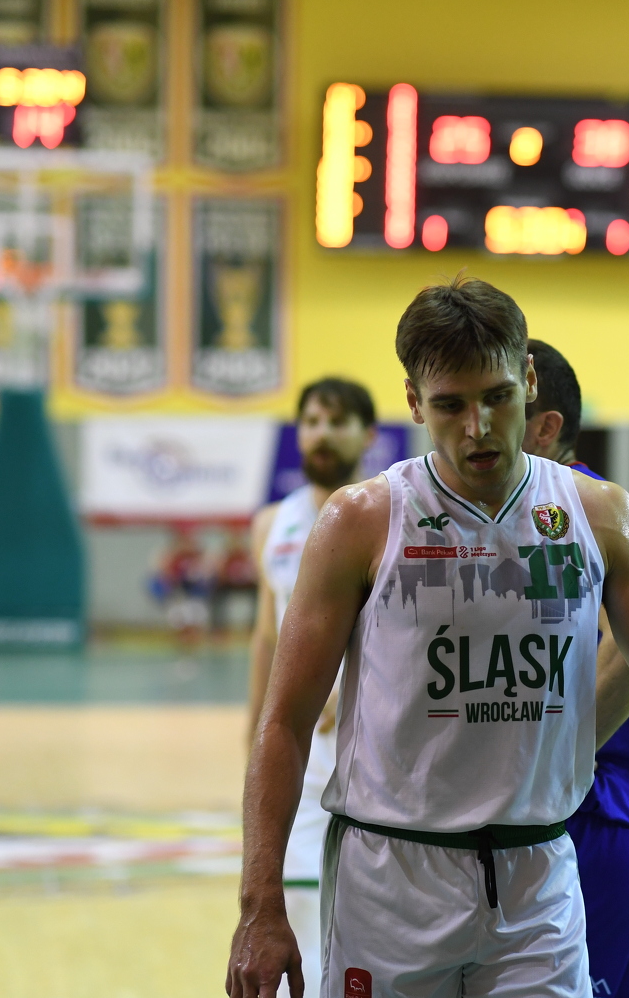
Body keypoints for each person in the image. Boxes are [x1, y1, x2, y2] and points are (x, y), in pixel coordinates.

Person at [227, 275, 629, 998]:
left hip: (537, 880)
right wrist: (260, 904)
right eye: (450, 405)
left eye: (496, 396)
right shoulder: (360, 521)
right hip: (391, 879)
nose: (478, 427)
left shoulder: (601, 515)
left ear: (529, 380)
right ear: (413, 402)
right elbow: (284, 721)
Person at [521, 337, 629, 998]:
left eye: (498, 405)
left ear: (545, 425)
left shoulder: (565, 510)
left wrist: (549, 765)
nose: (476, 429)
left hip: (593, 817)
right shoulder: (586, 502)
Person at [246, 377, 379, 996]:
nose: (322, 434)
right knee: (292, 915)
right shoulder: (271, 524)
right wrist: (253, 738)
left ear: (367, 435)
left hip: (365, 750)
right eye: (312, 421)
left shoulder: (382, 518)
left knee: (362, 927)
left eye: (337, 422)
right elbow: (265, 638)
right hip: (296, 750)